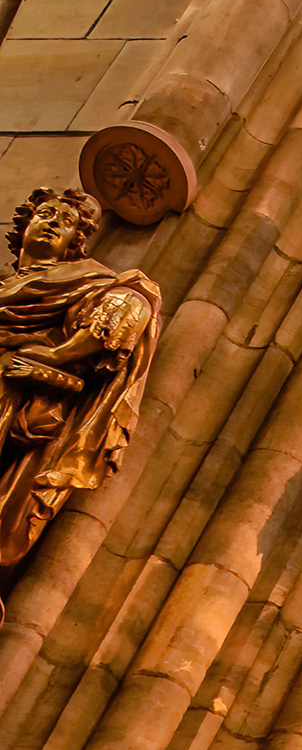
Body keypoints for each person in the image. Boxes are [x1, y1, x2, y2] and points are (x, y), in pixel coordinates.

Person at [0, 185, 161, 567]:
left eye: (67, 222)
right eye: (46, 215)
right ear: (23, 226)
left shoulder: (87, 281)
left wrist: (58, 354)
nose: (54, 225)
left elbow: (134, 301)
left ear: (77, 241)